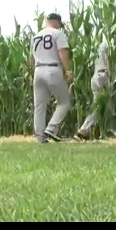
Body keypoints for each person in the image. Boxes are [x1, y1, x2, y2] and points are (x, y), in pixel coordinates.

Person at [30, 13, 72, 143]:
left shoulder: (36, 37)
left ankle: (39, 136)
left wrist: (35, 71)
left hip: (38, 70)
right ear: (56, 22)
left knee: (39, 105)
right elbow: (62, 52)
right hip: (53, 69)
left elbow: (31, 58)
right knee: (64, 102)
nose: (60, 27)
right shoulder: (57, 34)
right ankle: (51, 128)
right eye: (59, 24)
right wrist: (67, 70)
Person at [75, 41, 108, 140]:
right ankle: (83, 130)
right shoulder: (108, 44)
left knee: (98, 106)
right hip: (103, 76)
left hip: (95, 77)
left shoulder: (100, 45)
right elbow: (107, 61)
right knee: (98, 108)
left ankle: (86, 132)